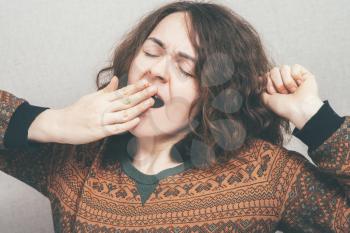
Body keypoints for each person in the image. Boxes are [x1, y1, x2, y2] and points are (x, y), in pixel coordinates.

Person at [0, 1, 349, 232]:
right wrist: (54, 122)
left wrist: (314, 118)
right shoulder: (73, 159)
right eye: (151, 52)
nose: (157, 72)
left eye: (186, 68)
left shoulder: (264, 173)